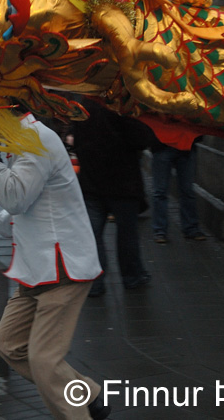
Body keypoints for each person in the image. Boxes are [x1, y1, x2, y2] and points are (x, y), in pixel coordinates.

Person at [0, 110, 111, 420]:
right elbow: (27, 206)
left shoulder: (35, 139)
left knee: (44, 361)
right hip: (36, 268)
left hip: (60, 268)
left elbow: (17, 198)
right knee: (8, 344)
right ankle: (89, 395)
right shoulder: (21, 140)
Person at [72, 97, 152, 297]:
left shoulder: (84, 106)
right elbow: (142, 139)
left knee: (93, 236)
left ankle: (95, 282)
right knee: (127, 234)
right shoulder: (123, 108)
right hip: (123, 184)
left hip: (92, 182)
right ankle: (132, 277)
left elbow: (75, 139)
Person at [150, 141, 207, 243]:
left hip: (183, 147)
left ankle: (163, 230)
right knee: (161, 191)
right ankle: (162, 230)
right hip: (165, 146)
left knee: (186, 190)